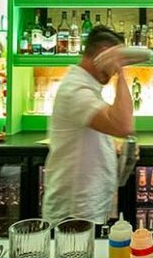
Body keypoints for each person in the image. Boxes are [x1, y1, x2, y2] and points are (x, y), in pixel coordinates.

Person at [42, 26, 134, 226]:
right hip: (74, 214)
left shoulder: (85, 87)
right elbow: (123, 125)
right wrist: (121, 72)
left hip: (83, 210)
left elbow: (91, 128)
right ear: (103, 54)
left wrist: (111, 145)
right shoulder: (76, 90)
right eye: (115, 58)